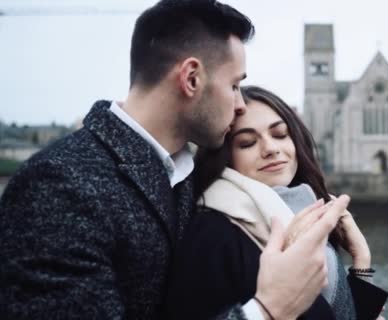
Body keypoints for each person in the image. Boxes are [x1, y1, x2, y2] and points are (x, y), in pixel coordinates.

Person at [0, 1, 349, 319]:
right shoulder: (59, 186)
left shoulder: (184, 177)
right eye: (234, 85)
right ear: (191, 78)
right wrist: (267, 310)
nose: (241, 104)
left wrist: (359, 269)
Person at [167, 86, 388, 319]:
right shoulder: (214, 232)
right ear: (225, 156)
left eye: (280, 134)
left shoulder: (307, 211)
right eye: (247, 142)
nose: (271, 149)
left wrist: (361, 261)